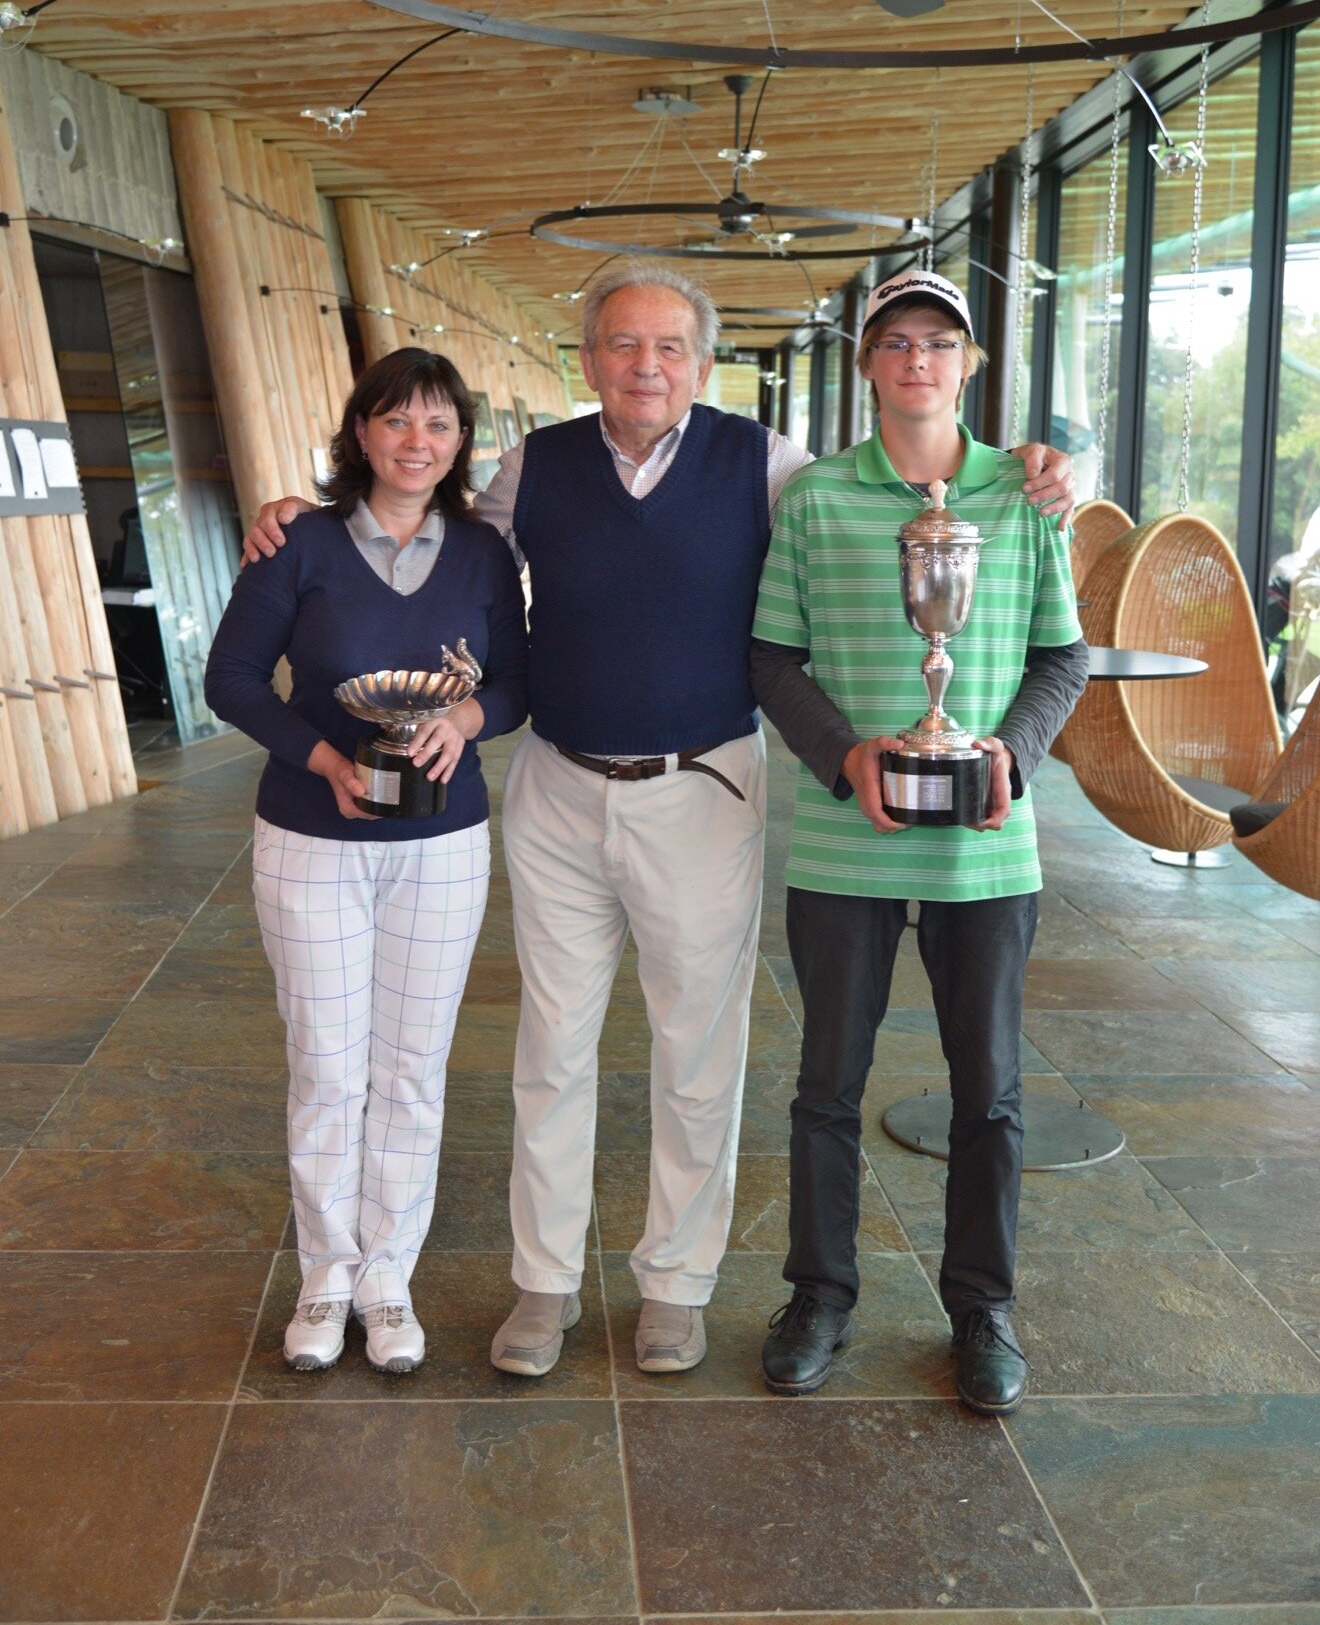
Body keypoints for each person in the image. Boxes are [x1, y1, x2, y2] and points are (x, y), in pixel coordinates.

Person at [239, 261, 1077, 1381]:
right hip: (557, 784)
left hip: (704, 786)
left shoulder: (769, 465)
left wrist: (1031, 466)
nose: (647, 366)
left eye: (670, 346)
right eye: (623, 345)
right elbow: (432, 541)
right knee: (551, 1049)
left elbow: (895, 492)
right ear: (587, 359)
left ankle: (676, 1285)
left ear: (703, 361)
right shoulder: (536, 464)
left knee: (697, 1054)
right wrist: (305, 513)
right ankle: (544, 1282)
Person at [750, 268, 1088, 1413]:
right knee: (826, 1086)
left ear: (969, 362)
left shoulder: (1026, 496)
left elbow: (1062, 656)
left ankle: (982, 1308)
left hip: (985, 844)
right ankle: (819, 1295)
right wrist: (844, 754)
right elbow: (771, 656)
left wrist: (1013, 753)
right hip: (846, 838)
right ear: (868, 365)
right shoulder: (816, 498)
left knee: (989, 1090)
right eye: (894, 341)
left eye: (938, 341)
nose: (917, 359)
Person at [205, 347, 526, 1376]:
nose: (415, 442)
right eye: (395, 420)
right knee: (327, 1066)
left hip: (442, 843)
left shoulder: (481, 553)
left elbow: (517, 682)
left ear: (461, 440)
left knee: (412, 1070)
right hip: (312, 837)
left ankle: (387, 1276)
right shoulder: (297, 540)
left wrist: (465, 719)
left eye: (438, 424)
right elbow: (231, 677)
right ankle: (325, 1274)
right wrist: (324, 760)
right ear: (360, 432)